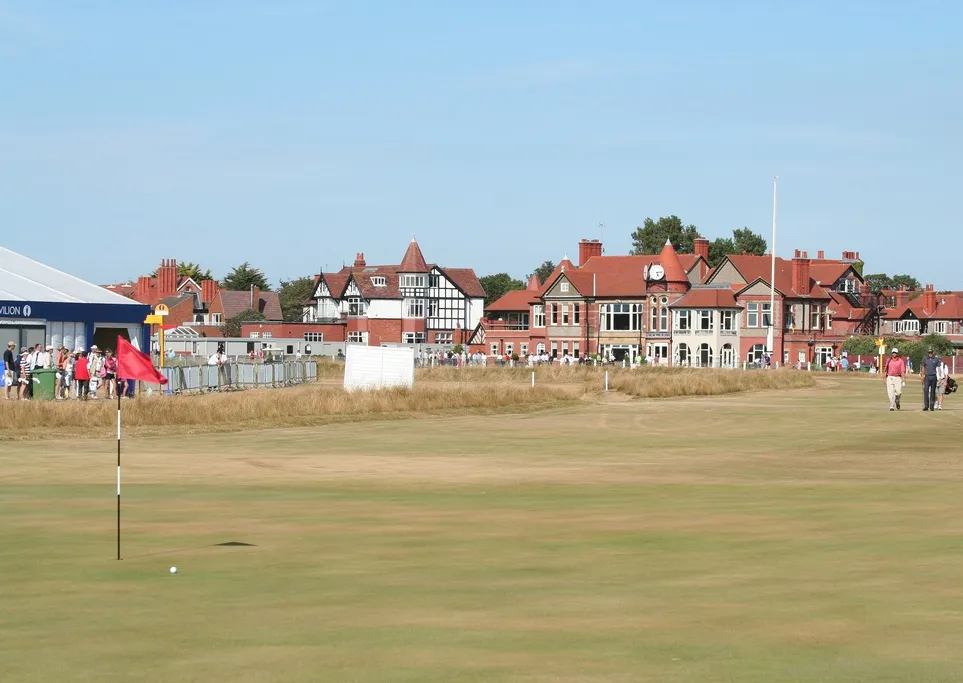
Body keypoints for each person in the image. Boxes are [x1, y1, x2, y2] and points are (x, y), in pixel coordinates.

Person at [920, 347, 941, 412]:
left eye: (931, 352)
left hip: (934, 377)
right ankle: (926, 406)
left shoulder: (936, 359)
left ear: (933, 353)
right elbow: (923, 367)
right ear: (928, 353)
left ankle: (932, 406)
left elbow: (939, 368)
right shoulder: (925, 358)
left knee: (932, 392)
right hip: (927, 377)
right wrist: (922, 375)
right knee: (926, 391)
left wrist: (939, 377)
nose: (930, 354)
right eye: (929, 353)